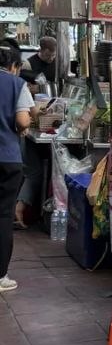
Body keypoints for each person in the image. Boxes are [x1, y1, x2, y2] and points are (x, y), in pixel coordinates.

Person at [0, 45, 34, 290]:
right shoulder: (16, 84)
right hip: (7, 158)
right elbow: (23, 120)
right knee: (2, 216)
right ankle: (1, 276)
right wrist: (24, 126)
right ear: (13, 66)